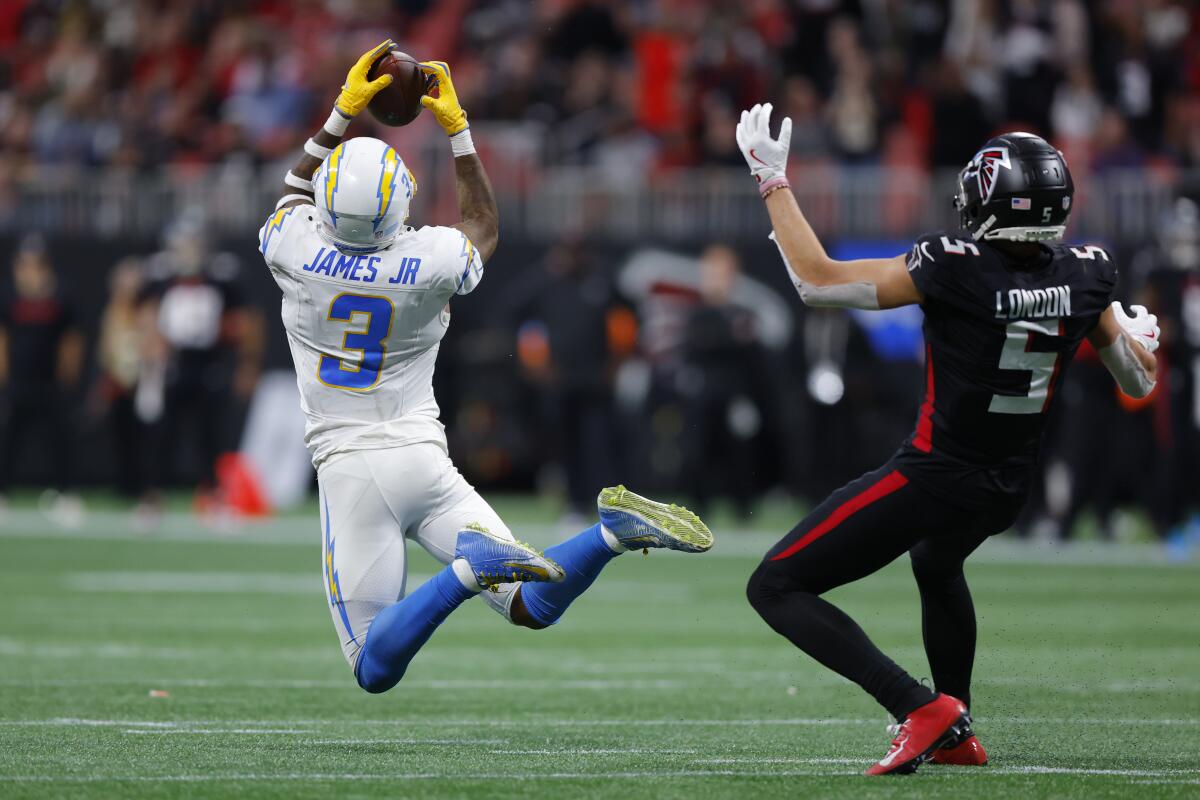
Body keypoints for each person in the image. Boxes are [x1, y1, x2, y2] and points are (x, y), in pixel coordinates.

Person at [257, 42, 713, 694]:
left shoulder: (296, 250)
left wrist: (339, 114)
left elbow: (290, 195)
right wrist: (457, 129)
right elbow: (482, 226)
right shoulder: (427, 261)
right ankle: (610, 537)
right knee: (529, 606)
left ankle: (467, 574)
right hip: (423, 462)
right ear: (400, 204)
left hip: (351, 468)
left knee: (372, 667)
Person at [735, 105, 1160, 775]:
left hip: (936, 475)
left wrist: (770, 180)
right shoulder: (1089, 273)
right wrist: (1139, 336)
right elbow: (1137, 379)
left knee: (775, 585)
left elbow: (815, 281)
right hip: (1007, 487)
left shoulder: (955, 264)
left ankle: (920, 708)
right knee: (936, 562)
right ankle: (956, 727)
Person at [0, 238, 84, 525]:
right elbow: (3, 337)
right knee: (9, 439)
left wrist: (67, 376)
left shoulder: (61, 296)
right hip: (18, 381)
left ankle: (65, 492)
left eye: (36, 264)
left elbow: (71, 340)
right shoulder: (9, 294)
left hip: (50, 382)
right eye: (25, 264)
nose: (30, 270)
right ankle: (3, 493)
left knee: (59, 440)